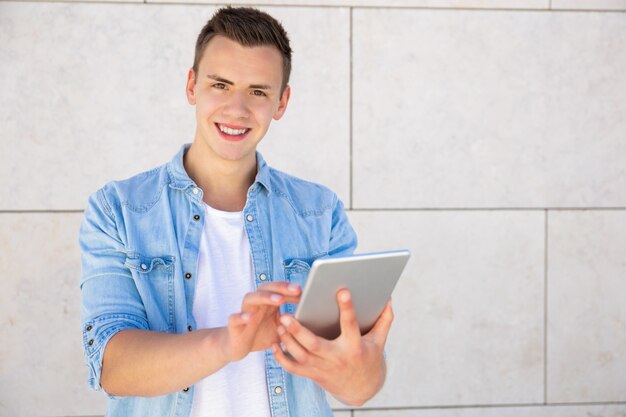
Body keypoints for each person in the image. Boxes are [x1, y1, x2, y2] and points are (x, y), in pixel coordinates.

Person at [79, 6, 393, 417]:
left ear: (282, 102)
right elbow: (112, 368)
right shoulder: (118, 210)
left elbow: (356, 391)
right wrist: (228, 342)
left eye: (258, 91)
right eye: (220, 85)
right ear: (192, 86)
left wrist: (364, 366)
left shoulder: (320, 213)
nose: (237, 109)